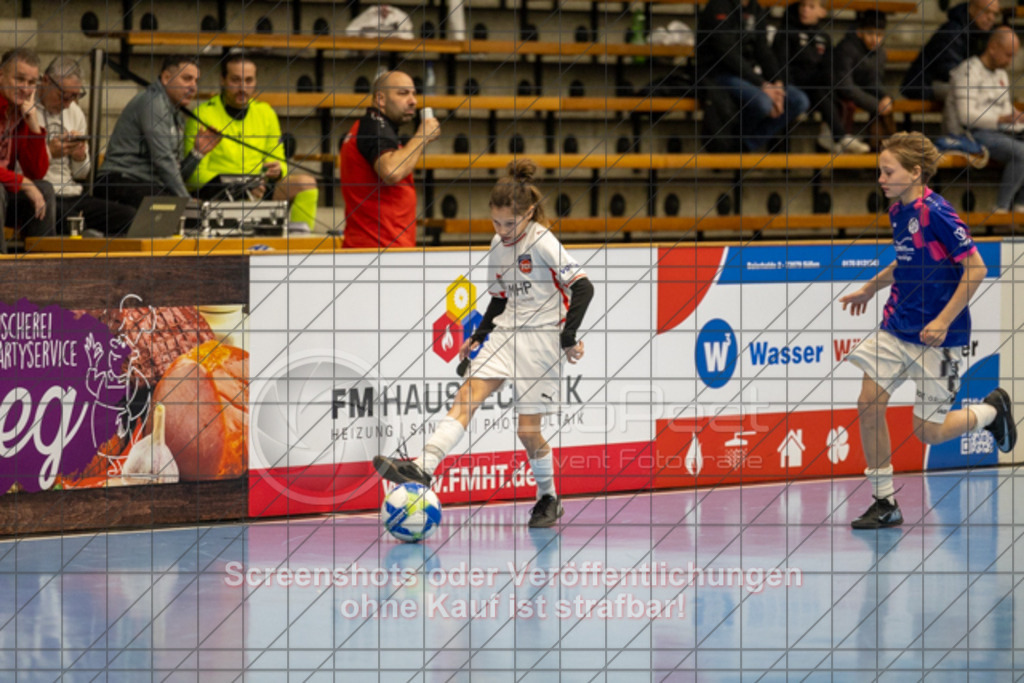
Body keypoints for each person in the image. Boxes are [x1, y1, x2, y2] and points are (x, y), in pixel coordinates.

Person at [372, 160, 596, 527]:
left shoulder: (541, 239)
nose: (503, 231)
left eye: (511, 224)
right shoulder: (498, 244)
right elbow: (499, 297)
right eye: (497, 223)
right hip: (506, 332)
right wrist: (477, 336)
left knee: (527, 430)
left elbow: (583, 286)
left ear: (528, 215)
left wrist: (568, 337)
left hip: (541, 340)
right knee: (467, 396)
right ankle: (423, 468)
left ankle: (548, 497)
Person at [840, 132, 1015, 529]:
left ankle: (990, 412)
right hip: (897, 325)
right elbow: (907, 261)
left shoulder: (937, 211)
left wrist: (943, 320)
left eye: (888, 171)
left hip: (940, 338)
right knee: (869, 402)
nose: (881, 179)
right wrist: (871, 287)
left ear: (915, 173)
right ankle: (885, 502)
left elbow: (977, 268)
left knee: (929, 433)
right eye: (879, 172)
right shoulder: (898, 211)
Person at [184, 54, 319, 232]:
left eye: (249, 81)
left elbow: (280, 163)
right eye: (235, 80)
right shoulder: (202, 115)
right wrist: (241, 185)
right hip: (217, 193)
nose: (243, 87)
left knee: (306, 184)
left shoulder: (266, 113)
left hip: (259, 191)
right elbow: (194, 177)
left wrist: (277, 171)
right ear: (222, 80)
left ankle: (300, 245)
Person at [94, 56, 221, 209]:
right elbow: (163, 160)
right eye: (187, 79)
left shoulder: (177, 116)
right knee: (183, 213)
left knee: (192, 209)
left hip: (147, 186)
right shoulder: (152, 103)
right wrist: (186, 200)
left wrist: (197, 153)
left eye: (196, 81)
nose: (194, 87)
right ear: (167, 78)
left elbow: (175, 174)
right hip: (119, 181)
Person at [339, 70, 440, 248]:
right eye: (403, 93)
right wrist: (422, 136)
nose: (413, 101)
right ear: (380, 100)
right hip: (378, 251)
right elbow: (391, 171)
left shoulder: (375, 128)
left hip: (381, 249)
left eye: (414, 94)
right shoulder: (373, 127)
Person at [35, 57, 136, 236]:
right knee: (71, 219)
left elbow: (81, 173)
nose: (67, 104)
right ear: (45, 81)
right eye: (63, 96)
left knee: (128, 216)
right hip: (40, 192)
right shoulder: (26, 109)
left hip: (70, 192)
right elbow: (18, 167)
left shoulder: (75, 112)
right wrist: (49, 152)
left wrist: (79, 156)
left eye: (75, 96)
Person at [695, 0, 809, 152]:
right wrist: (762, 84)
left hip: (748, 75)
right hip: (718, 73)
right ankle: (734, 141)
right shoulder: (718, 6)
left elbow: (763, 50)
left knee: (798, 100)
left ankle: (746, 144)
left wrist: (778, 83)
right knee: (762, 102)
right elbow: (726, 53)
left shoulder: (756, 9)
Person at [944, 26, 1024, 213]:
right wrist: (1003, 118)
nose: (1009, 62)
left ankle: (1020, 205)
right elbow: (967, 117)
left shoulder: (1001, 74)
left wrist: (1016, 117)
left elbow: (1003, 107)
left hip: (1000, 130)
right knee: (1021, 152)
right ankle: (1001, 209)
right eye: (1007, 55)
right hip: (972, 133)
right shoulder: (968, 71)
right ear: (993, 47)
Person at [772, 0, 865, 154]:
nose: (805, 10)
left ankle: (834, 135)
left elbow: (829, 68)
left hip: (817, 90)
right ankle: (838, 136)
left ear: (822, 12)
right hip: (794, 87)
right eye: (803, 6)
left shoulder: (824, 37)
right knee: (821, 90)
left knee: (828, 89)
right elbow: (781, 66)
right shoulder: (787, 32)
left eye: (811, 7)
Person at [0, 48, 55, 251]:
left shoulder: (21, 112)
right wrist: (22, 182)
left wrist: (33, 124)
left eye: (31, 83)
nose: (25, 88)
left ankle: (42, 272)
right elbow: (25, 179)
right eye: (19, 79)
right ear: (1, 76)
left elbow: (36, 172)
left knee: (44, 189)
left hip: (6, 191)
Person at [900, 0, 1002, 101]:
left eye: (995, 14)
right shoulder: (952, 31)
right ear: (972, 9)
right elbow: (951, 72)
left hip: (955, 82)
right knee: (970, 93)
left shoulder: (985, 35)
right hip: (926, 85)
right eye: (986, 12)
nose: (991, 18)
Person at [834, 10, 894, 152]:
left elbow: (874, 81)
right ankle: (846, 153)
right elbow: (844, 85)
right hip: (836, 93)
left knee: (886, 105)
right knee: (853, 105)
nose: (875, 39)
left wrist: (886, 97)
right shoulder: (846, 48)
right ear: (859, 32)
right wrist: (875, 104)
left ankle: (882, 148)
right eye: (870, 33)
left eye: (879, 35)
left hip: (859, 91)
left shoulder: (880, 53)